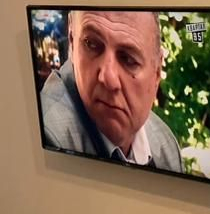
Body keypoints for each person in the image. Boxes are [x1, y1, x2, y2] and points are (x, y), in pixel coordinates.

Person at [39, 9, 182, 171]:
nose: (108, 78)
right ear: (72, 42)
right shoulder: (48, 138)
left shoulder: (166, 146)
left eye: (128, 59)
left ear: (156, 72)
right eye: (91, 44)